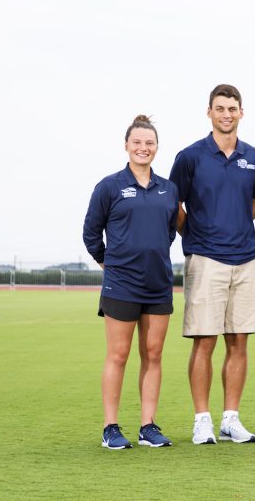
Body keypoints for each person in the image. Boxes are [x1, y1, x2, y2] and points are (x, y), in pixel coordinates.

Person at [169, 84, 255, 445]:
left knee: (239, 342)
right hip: (205, 258)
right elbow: (174, 205)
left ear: (242, 112)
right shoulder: (190, 157)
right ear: (208, 112)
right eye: (220, 108)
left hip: (246, 259)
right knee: (204, 342)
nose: (227, 114)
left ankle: (230, 419)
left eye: (232, 108)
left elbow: (254, 205)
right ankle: (202, 420)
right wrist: (195, 234)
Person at [83, 115, 179, 450]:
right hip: (121, 284)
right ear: (126, 145)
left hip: (158, 284)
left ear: (157, 147)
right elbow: (91, 233)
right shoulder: (109, 186)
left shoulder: (169, 189)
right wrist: (108, 262)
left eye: (149, 143)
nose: (143, 148)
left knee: (153, 354)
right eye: (137, 142)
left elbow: (168, 233)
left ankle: (148, 425)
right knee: (119, 354)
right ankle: (111, 426)